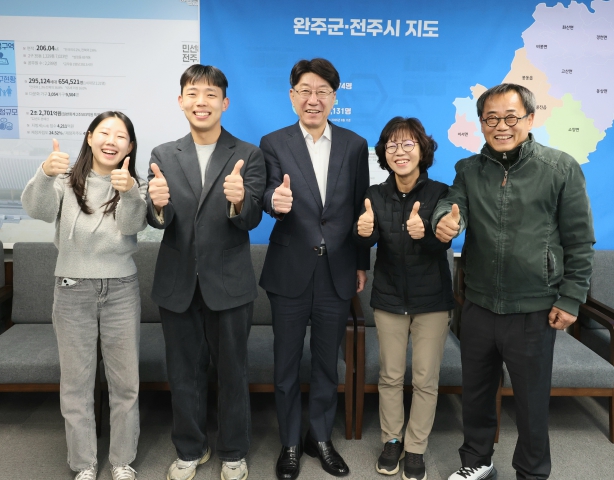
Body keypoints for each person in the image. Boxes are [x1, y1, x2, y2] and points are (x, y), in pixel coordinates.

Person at [432, 84, 595, 480]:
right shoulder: (468, 170)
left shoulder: (560, 168)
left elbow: (579, 240)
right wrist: (443, 221)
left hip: (534, 308)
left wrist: (571, 298)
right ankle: (477, 460)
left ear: (530, 118)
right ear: (481, 123)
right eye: (491, 118)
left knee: (531, 401)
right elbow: (451, 204)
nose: (500, 126)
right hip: (478, 304)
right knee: (476, 393)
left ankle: (532, 472)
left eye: (510, 117)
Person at [146, 64, 265, 480]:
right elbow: (157, 220)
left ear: (224, 103)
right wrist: (156, 206)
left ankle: (233, 451)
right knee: (183, 373)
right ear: (181, 101)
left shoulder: (248, 154)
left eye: (211, 94)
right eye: (193, 94)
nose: (202, 102)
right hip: (176, 282)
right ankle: (190, 449)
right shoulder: (163, 154)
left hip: (229, 283)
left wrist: (239, 201)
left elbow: (252, 218)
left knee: (233, 372)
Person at [259, 58, 370, 480]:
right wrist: (274, 201)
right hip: (289, 268)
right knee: (286, 363)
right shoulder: (273, 142)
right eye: (305, 90)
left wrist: (361, 262)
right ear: (292, 96)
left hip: (337, 270)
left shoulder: (355, 145)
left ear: (334, 98)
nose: (313, 99)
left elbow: (362, 208)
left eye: (322, 91)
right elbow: (269, 191)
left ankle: (319, 437)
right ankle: (290, 442)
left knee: (327, 363)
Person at [21, 111, 147, 480]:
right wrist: (45, 173)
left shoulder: (135, 184)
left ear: (130, 146)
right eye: (104, 133)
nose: (111, 141)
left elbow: (131, 225)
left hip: (122, 289)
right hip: (72, 289)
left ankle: (122, 461)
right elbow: (38, 210)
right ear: (90, 138)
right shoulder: (63, 180)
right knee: (76, 384)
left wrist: (129, 192)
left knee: (126, 384)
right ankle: (84, 464)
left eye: (120, 136)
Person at [353, 117, 454, 480]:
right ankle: (392, 440)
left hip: (433, 301)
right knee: (391, 376)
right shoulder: (374, 194)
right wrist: (362, 232)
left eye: (408, 144)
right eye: (392, 145)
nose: (400, 151)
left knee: (425, 378)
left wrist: (425, 233)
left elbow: (443, 242)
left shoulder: (441, 192)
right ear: (384, 153)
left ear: (422, 150)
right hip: (389, 297)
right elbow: (365, 238)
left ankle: (416, 447)